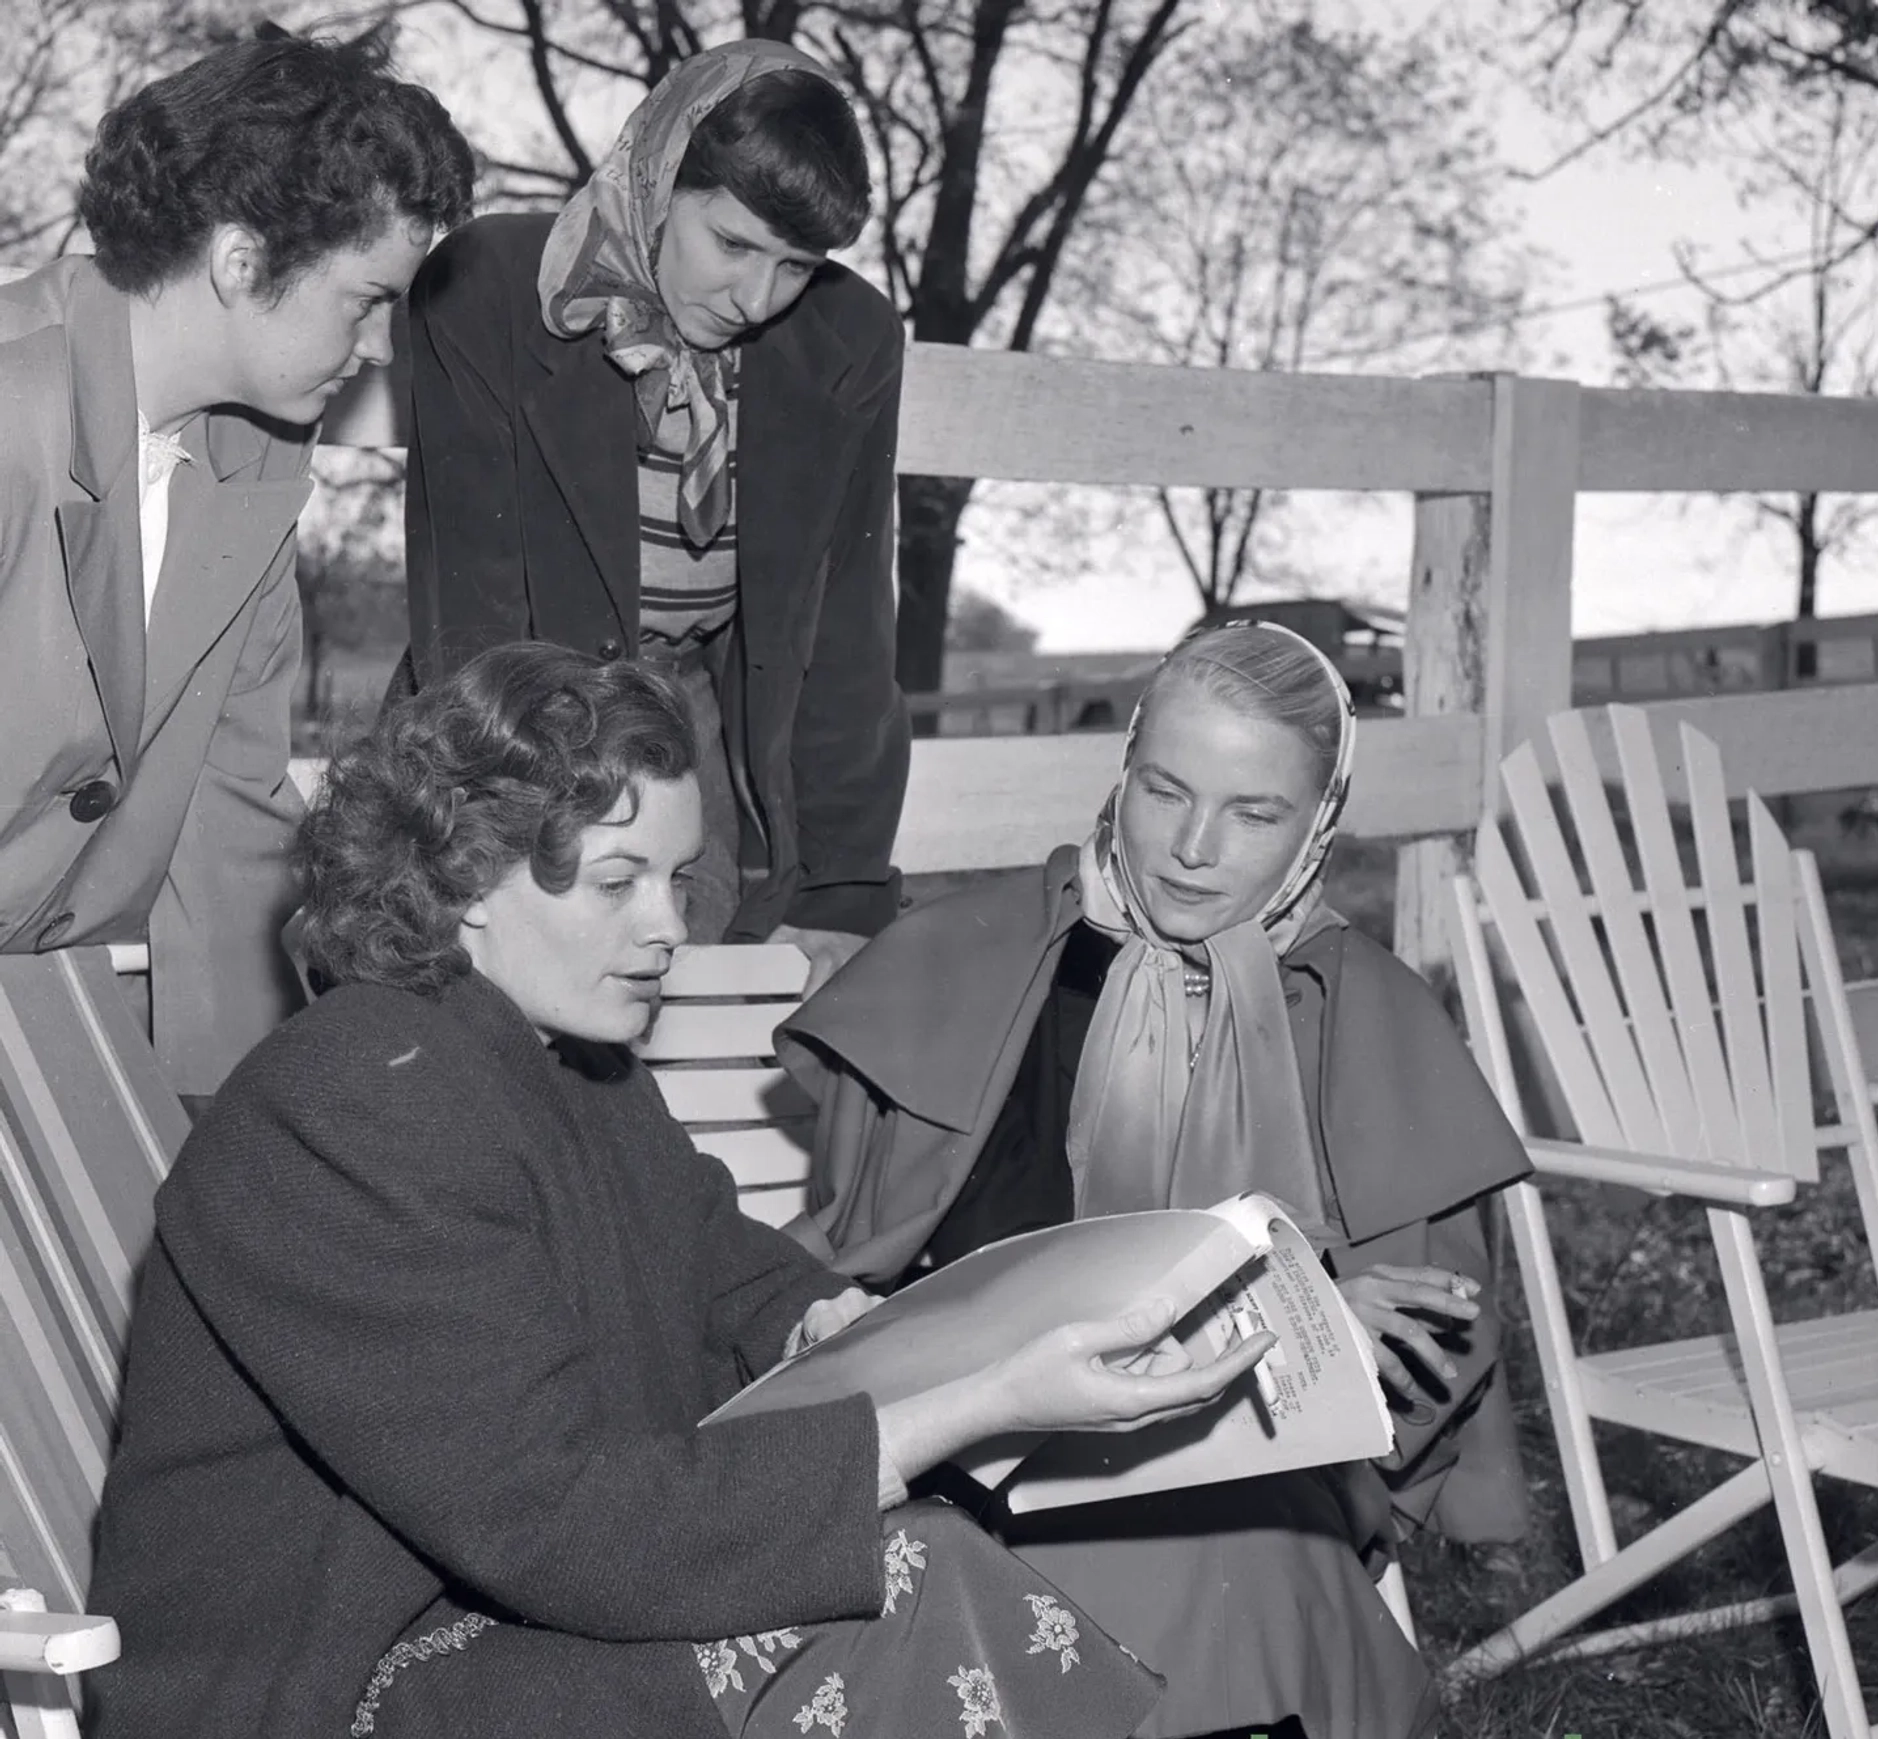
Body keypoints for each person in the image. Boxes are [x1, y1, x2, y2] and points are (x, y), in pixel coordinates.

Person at [84, 642, 1275, 1739]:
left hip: (483, 1603)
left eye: (676, 877)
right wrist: (969, 1402)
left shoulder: (564, 1062)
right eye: (618, 882)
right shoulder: (349, 1100)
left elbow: (719, 1256)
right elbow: (556, 1520)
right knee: (902, 1576)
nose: (669, 928)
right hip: (333, 1671)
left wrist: (830, 1321)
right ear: (464, 880)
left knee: (914, 1562)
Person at [777, 621, 1537, 1739]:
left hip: (1236, 1439)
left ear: (1319, 821)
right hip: (967, 1414)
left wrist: (1316, 1312)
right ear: (1121, 772)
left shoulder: (1358, 1009)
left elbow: (1425, 1345)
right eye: (1163, 790)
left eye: (1254, 813)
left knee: (1222, 1534)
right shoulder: (981, 958)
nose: (1192, 846)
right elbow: (875, 1252)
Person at [0, 28, 473, 1098]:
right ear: (241, 259)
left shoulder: (253, 454)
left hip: (65, 1014)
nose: (381, 350)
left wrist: (261, 1117)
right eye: (366, 301)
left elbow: (231, 805)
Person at [404, 40, 908, 991]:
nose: (757, 298)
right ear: (661, 176)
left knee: (698, 962)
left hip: (697, 719)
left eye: (796, 265)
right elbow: (468, 611)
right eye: (733, 244)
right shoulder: (495, 288)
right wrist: (516, 844)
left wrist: (842, 884)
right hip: (509, 719)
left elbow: (844, 627)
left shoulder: (851, 341)